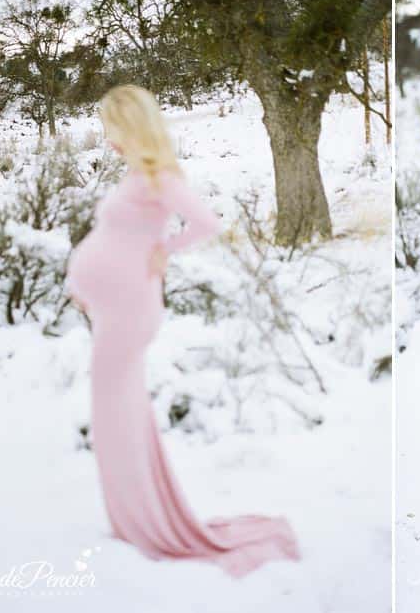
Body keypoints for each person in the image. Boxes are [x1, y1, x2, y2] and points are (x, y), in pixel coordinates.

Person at [65, 84, 301, 576]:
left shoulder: (157, 174)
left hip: (131, 312)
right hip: (117, 309)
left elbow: (206, 223)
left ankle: (143, 524)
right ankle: (140, 516)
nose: (108, 139)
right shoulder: (138, 173)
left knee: (116, 417)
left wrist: (165, 250)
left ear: (132, 128)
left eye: (112, 128)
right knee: (122, 415)